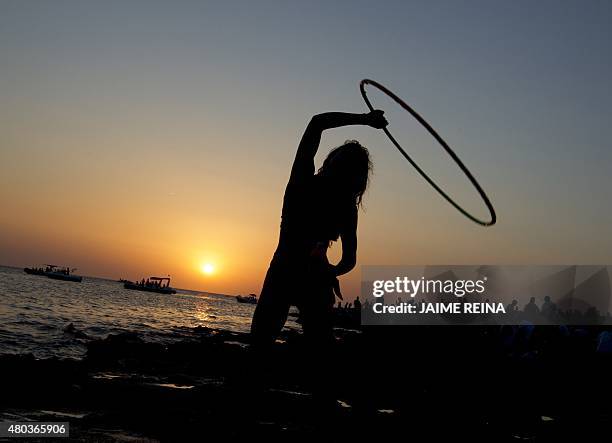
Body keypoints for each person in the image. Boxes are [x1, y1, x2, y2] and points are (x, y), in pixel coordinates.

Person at [251, 110, 387, 347]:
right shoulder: (344, 206)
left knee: (262, 341)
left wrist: (365, 119)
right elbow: (349, 260)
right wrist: (331, 272)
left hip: (286, 269)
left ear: (330, 161)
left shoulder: (303, 182)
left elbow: (317, 123)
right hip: (312, 276)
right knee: (317, 347)